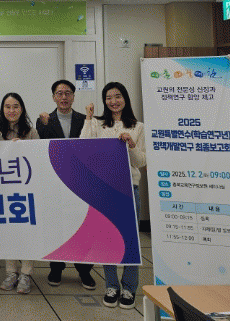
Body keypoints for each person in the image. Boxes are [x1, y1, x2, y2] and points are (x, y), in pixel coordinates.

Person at [80, 82, 145, 310]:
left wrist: (132, 145)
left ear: (125, 99)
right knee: (107, 240)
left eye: (118, 96)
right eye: (109, 97)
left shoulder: (138, 126)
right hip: (105, 189)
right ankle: (111, 286)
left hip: (129, 188)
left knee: (130, 241)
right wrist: (88, 118)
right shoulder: (98, 124)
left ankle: (129, 287)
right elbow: (84, 145)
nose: (113, 101)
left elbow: (140, 162)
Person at [35, 80, 95, 290]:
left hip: (80, 183)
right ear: (53, 97)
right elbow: (40, 148)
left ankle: (84, 270)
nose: (63, 97)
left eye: (67, 93)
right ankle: (56, 268)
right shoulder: (44, 120)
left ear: (73, 96)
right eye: (59, 93)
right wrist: (43, 125)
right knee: (56, 227)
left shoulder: (85, 119)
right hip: (55, 182)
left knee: (82, 228)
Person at [0, 93, 38, 294]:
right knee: (8, 231)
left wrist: (23, 148)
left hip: (26, 190)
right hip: (4, 189)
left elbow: (38, 158)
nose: (11, 110)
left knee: (27, 232)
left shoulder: (31, 131)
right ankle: (11, 272)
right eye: (7, 107)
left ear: (22, 109)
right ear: (2, 109)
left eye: (15, 106)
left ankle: (26, 273)